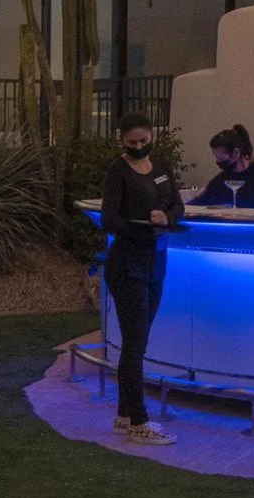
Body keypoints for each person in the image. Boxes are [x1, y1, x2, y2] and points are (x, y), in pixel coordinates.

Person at [101, 111, 184, 445]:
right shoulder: (117, 171)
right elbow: (109, 219)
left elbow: (178, 206)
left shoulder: (162, 165)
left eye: (143, 141)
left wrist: (166, 217)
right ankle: (139, 422)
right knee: (135, 346)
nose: (138, 147)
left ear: (153, 136)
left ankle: (124, 415)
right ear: (122, 141)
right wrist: (142, 227)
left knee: (138, 342)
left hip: (155, 262)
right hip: (127, 264)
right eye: (131, 142)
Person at [189, 124, 254, 208]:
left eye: (221, 159)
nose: (218, 162)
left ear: (236, 153)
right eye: (217, 158)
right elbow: (199, 203)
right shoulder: (220, 180)